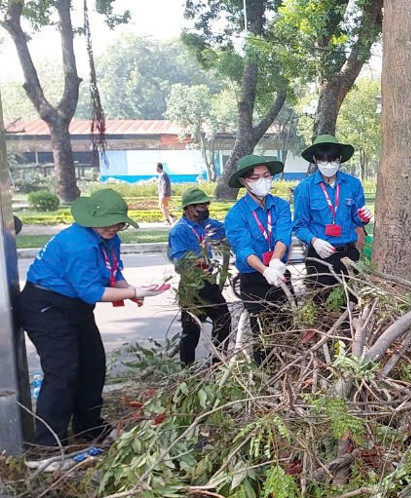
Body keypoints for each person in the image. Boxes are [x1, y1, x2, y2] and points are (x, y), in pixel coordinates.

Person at [19, 189, 168, 453]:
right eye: (108, 222)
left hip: (76, 307)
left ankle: (89, 428)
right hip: (47, 306)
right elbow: (92, 291)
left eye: (118, 222)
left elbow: (113, 273)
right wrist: (134, 293)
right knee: (62, 373)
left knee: (93, 365)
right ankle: (46, 448)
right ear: (92, 218)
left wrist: (132, 290)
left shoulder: (110, 238)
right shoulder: (78, 244)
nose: (113, 227)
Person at [224, 155, 293, 364]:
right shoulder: (236, 215)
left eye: (266, 175)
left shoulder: (280, 206)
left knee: (287, 328)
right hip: (254, 279)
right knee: (263, 334)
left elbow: (283, 236)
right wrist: (265, 270)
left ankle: (289, 370)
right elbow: (243, 249)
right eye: (255, 177)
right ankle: (266, 375)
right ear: (245, 182)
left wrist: (275, 262)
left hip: (279, 272)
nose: (262, 181)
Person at [293, 135, 373, 306]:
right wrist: (314, 242)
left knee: (350, 303)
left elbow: (357, 220)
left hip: (348, 254)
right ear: (315, 160)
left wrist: (363, 218)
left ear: (340, 159)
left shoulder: (352, 184)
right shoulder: (304, 188)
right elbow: (299, 226)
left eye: (333, 160)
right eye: (323, 160)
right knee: (322, 304)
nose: (328, 164)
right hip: (320, 256)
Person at [168, 188, 232, 366]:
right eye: (199, 206)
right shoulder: (179, 231)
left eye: (206, 205)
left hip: (208, 283)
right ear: (188, 208)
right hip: (191, 285)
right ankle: (187, 371)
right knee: (191, 330)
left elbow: (228, 231)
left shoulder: (208, 225)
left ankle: (217, 363)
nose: (204, 208)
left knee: (224, 320)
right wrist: (198, 261)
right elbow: (179, 261)